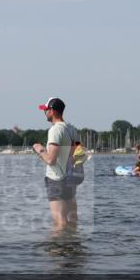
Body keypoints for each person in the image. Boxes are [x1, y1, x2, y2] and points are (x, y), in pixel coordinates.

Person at [32, 97, 79, 231]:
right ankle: (72, 248)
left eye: (46, 110)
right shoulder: (72, 129)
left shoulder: (55, 130)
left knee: (60, 223)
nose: (45, 113)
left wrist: (39, 149)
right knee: (72, 221)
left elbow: (51, 160)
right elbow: (76, 154)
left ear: (52, 111)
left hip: (56, 179)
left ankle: (56, 250)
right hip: (70, 179)